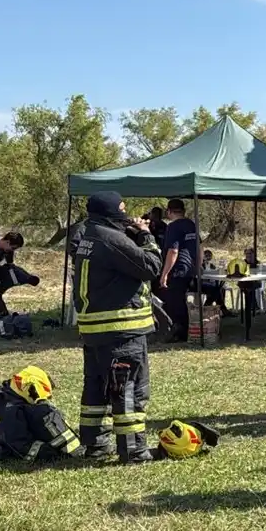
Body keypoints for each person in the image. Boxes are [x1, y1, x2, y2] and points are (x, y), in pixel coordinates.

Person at [73, 191, 163, 463]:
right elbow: (150, 266)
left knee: (97, 388)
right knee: (128, 388)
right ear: (111, 211)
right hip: (121, 330)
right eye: (122, 210)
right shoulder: (111, 239)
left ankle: (96, 444)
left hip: (95, 330)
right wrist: (146, 236)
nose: (126, 215)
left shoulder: (90, 235)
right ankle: (134, 449)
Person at [158, 199, 199, 343]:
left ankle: (180, 332)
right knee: (183, 301)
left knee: (175, 301)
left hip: (178, 269)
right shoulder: (192, 225)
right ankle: (186, 329)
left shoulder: (173, 227)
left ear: (169, 211)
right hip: (190, 268)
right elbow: (199, 247)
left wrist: (164, 274)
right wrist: (198, 267)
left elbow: (173, 251)